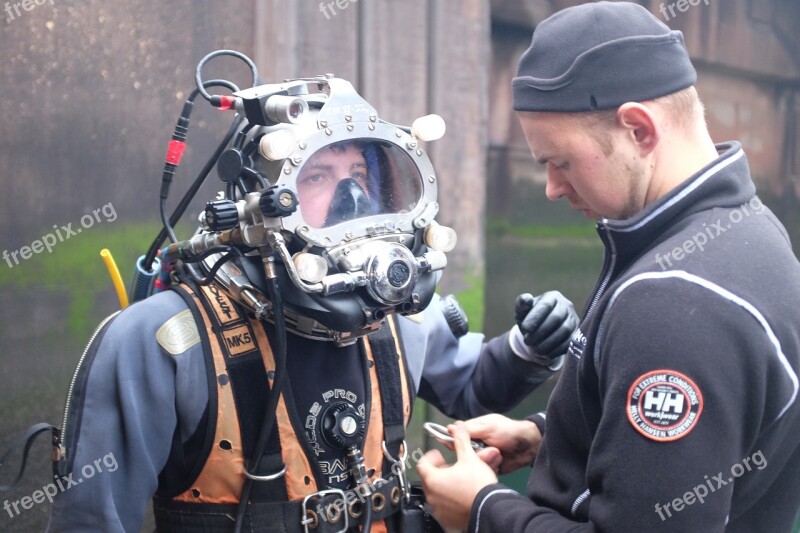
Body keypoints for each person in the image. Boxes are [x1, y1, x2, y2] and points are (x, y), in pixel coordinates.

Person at [43, 71, 579, 533]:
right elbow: (90, 519)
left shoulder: (395, 314)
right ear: (258, 201)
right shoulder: (159, 343)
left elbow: (471, 390)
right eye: (319, 176)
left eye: (361, 176)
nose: (350, 198)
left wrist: (531, 347)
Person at [416, 2, 800, 531]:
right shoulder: (750, 231)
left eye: (560, 161)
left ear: (639, 130)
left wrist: (484, 508)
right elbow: (706, 445)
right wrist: (548, 435)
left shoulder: (672, 302)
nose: (551, 188)